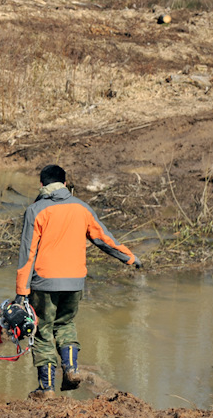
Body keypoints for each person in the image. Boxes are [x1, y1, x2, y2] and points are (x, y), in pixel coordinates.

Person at [15, 164, 142, 400]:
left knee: (42, 332)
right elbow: (104, 239)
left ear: (41, 185)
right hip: (75, 282)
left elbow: (27, 254)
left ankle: (47, 389)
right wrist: (130, 257)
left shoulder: (36, 210)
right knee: (65, 325)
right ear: (65, 184)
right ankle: (71, 368)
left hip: (44, 282)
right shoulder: (82, 208)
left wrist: (21, 292)